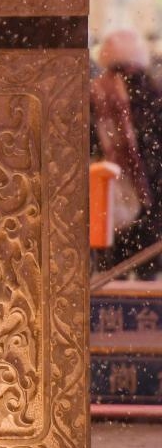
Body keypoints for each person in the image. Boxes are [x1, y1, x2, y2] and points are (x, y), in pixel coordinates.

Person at [91, 29, 162, 278]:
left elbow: (89, 144)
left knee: (113, 270)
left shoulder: (97, 92)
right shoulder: (151, 89)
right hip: (150, 194)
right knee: (147, 269)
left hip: (111, 194)